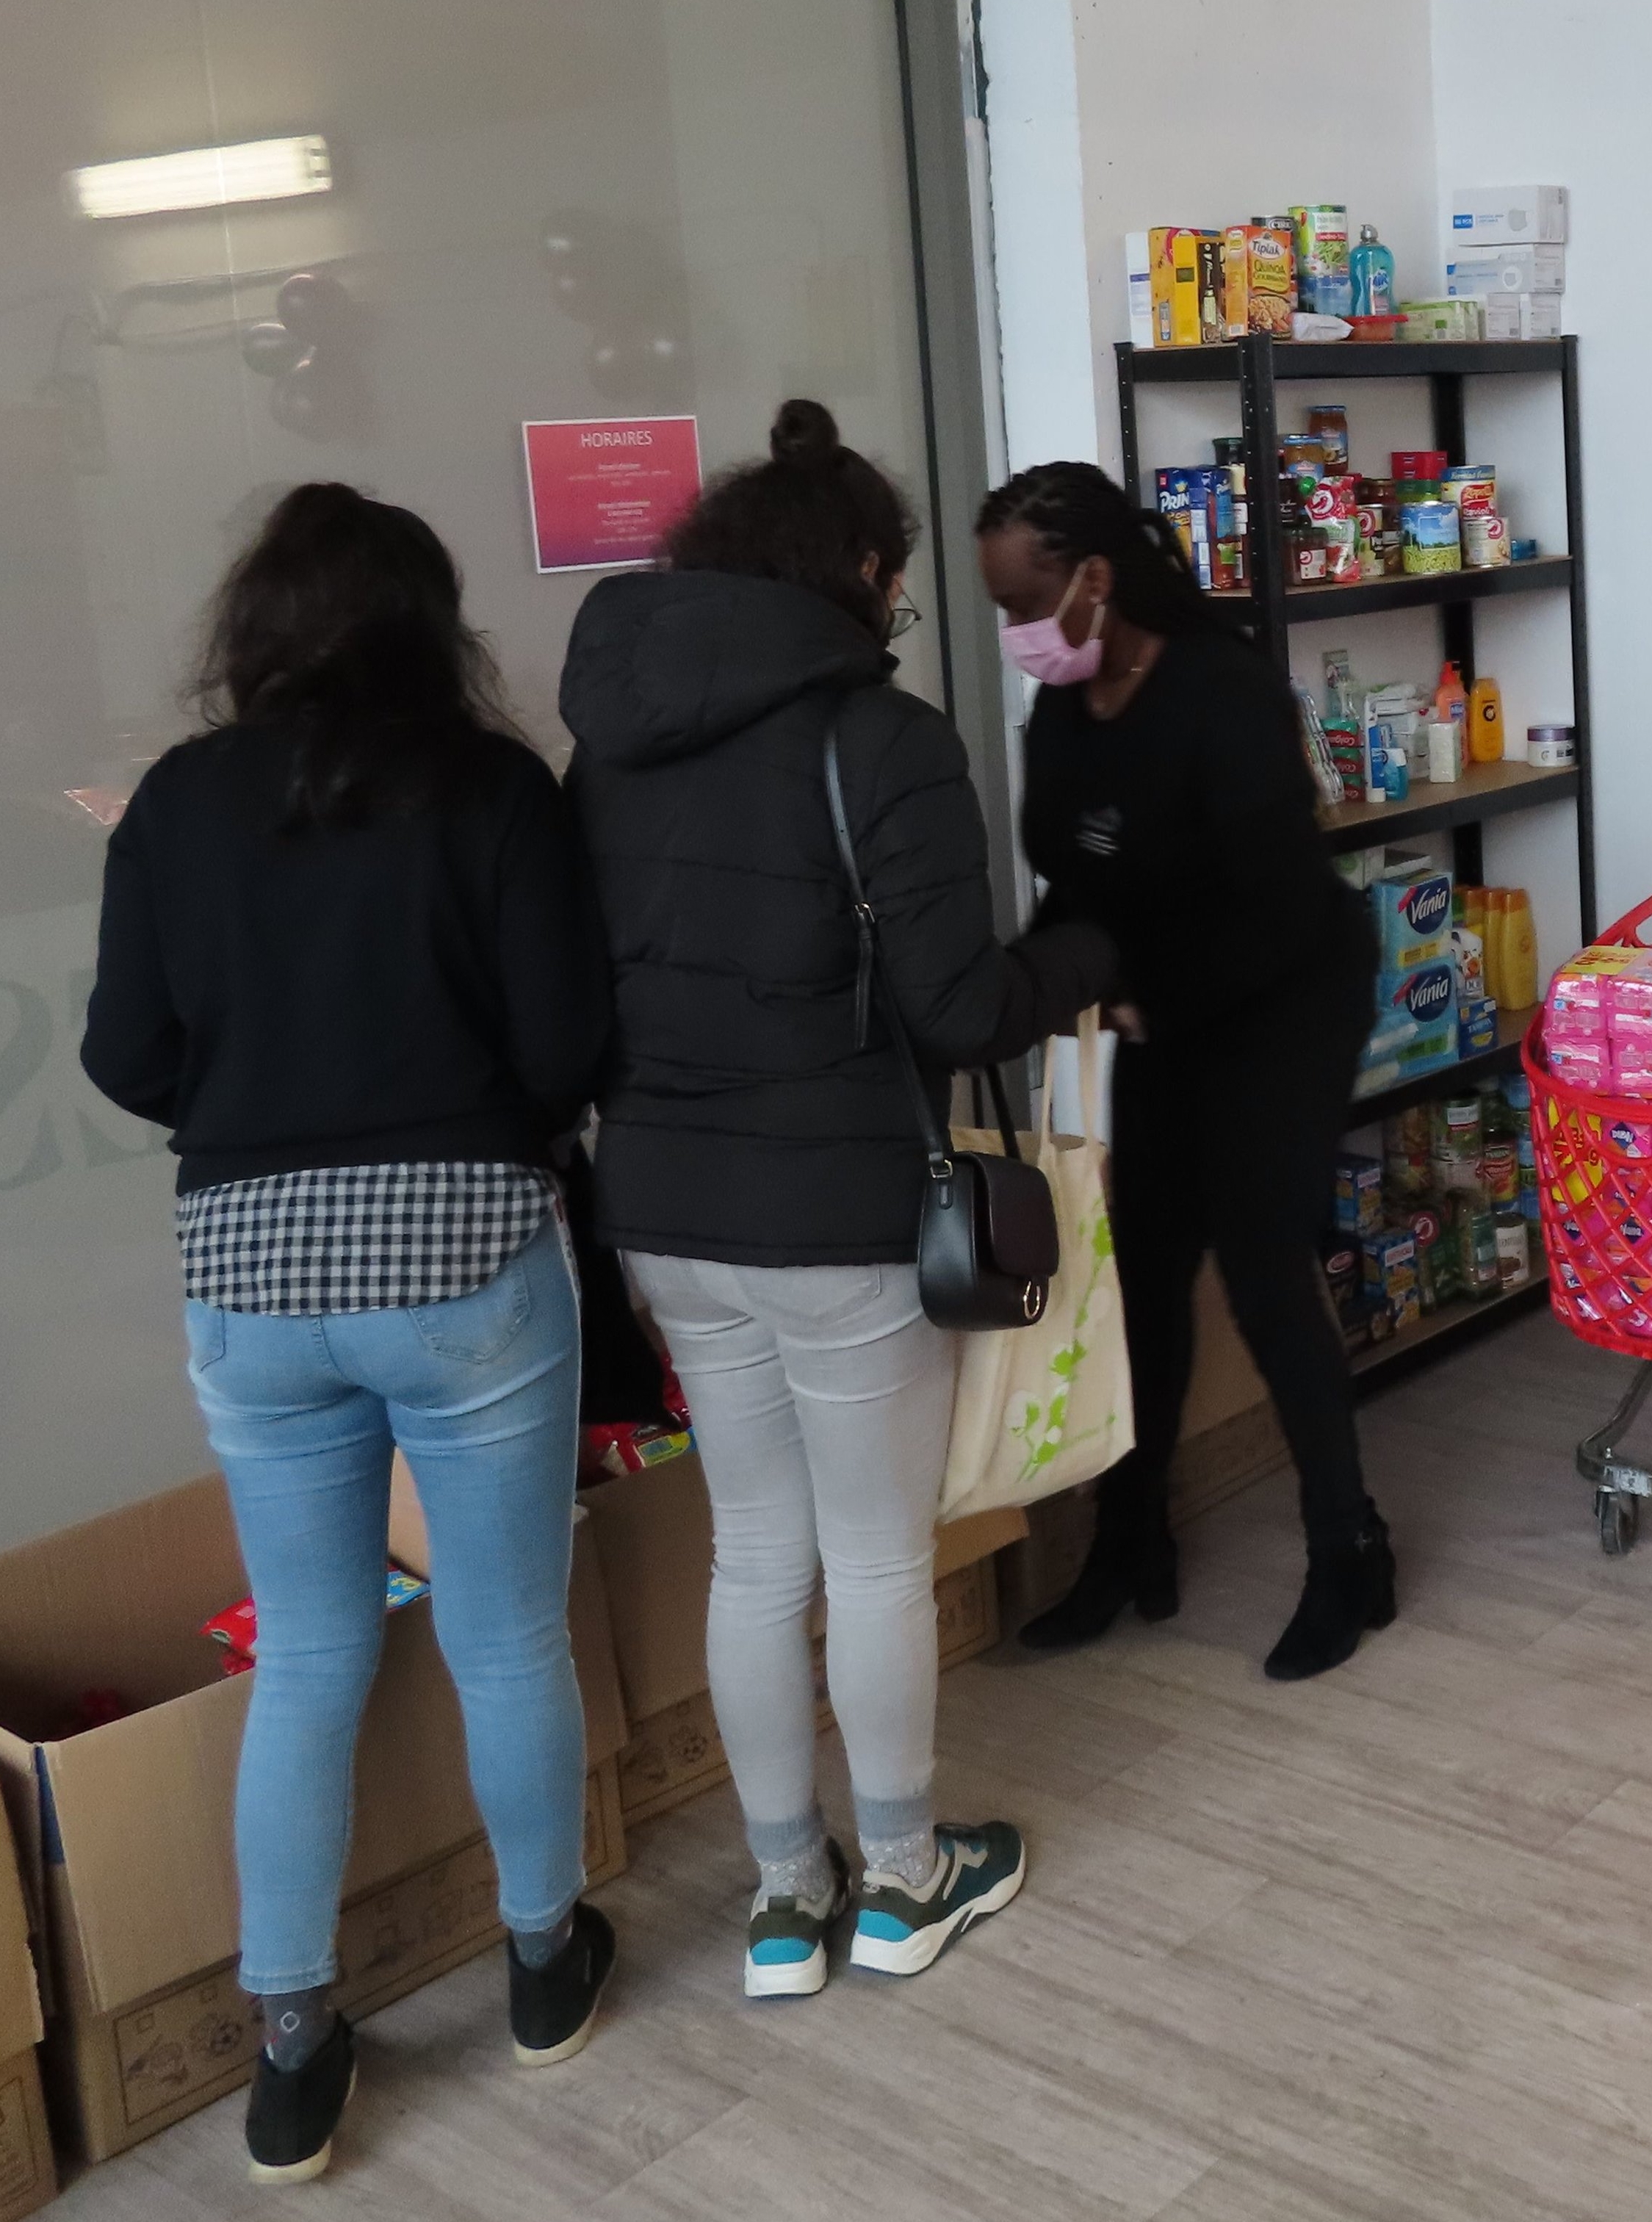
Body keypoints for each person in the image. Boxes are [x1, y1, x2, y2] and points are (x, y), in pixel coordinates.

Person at [79, 483, 618, 2185]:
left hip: (249, 1267)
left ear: (252, 630)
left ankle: (297, 2053)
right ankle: (542, 1965)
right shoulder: (493, 786)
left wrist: (248, 1107)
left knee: (310, 1656)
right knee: (506, 1632)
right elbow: (567, 1042)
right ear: (425, 624)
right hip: (463, 1244)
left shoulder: (176, 802)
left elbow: (123, 1054)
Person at [560, 400, 1115, 1999]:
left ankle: (782, 1900)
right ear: (863, 569)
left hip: (663, 1207)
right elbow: (956, 1008)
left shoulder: (605, 742)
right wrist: (1085, 957)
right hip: (839, 1211)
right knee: (873, 1555)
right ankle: (904, 1875)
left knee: (754, 1549)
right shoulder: (881, 738)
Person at [973, 460, 1395, 1683]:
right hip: (1154, 1011)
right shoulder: (1066, 703)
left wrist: (1146, 998)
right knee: (1139, 1270)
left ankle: (1347, 1549)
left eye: (1023, 604)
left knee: (1263, 1268)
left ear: (1094, 579)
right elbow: (1074, 872)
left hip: (1281, 1002)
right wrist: (1021, 982)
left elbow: (1276, 911)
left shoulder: (1221, 692)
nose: (1015, 634)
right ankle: (1128, 1544)